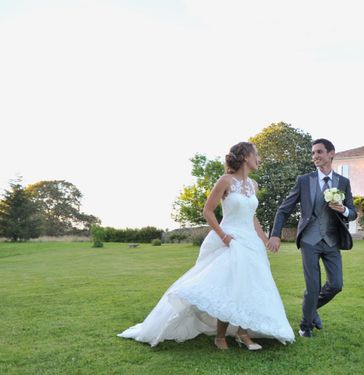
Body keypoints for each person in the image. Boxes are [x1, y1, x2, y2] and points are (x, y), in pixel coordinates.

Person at [118, 142, 295, 350]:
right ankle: (220, 336)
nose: (260, 159)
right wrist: (224, 237)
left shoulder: (254, 185)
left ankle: (242, 332)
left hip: (250, 242)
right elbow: (208, 211)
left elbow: (252, 217)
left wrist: (265, 239)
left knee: (249, 287)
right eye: (257, 154)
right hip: (230, 240)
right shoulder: (225, 181)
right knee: (228, 286)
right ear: (246, 156)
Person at [266, 138, 357, 337]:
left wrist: (343, 210)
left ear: (331, 154)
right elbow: (283, 210)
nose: (315, 156)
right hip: (309, 240)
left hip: (332, 240)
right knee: (313, 285)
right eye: (313, 153)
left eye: (319, 152)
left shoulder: (343, 182)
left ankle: (310, 306)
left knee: (336, 285)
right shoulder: (304, 181)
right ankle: (305, 326)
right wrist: (275, 235)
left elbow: (353, 212)